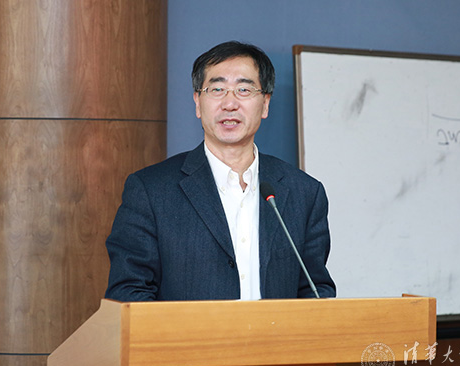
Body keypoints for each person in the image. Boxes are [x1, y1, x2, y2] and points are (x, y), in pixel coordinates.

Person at [105, 40, 335, 303]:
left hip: (276, 333)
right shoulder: (151, 191)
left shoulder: (304, 193)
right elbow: (128, 293)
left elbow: (315, 292)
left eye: (244, 90)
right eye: (217, 89)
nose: (230, 103)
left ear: (265, 104)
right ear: (197, 102)